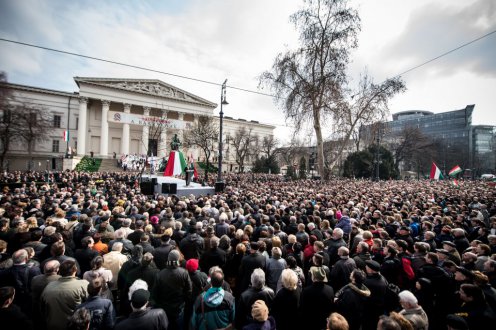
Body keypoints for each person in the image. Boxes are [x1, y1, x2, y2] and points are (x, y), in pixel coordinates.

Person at [41, 259, 89, 330]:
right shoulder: (83, 284)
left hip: (53, 326)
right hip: (75, 326)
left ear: (59, 271)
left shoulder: (49, 286)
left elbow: (42, 308)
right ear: (75, 270)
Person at [153, 249, 192, 330]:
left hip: (165, 307)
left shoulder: (160, 274)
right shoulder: (184, 272)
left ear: (168, 259)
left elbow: (155, 293)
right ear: (178, 259)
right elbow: (189, 290)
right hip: (179, 307)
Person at [299, 266, 335, 330]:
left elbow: (302, 309)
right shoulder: (330, 289)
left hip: (310, 323)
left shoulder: (306, 291)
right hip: (324, 324)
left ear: (314, 278)